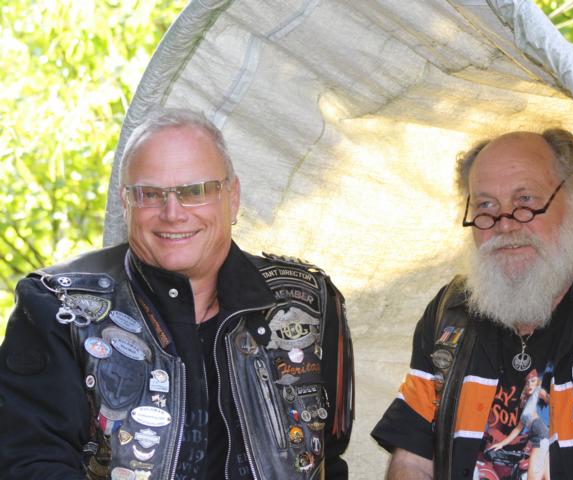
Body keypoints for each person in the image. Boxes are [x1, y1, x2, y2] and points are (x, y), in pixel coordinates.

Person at [0, 108, 353, 479]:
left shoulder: (309, 301)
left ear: (232, 197)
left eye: (194, 191)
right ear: (125, 202)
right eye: (150, 194)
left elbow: (327, 461)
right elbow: (30, 464)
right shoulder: (58, 306)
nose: (172, 213)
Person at [371, 129, 573, 480]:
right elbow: (413, 461)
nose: (505, 224)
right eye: (486, 206)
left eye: (525, 200)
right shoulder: (449, 312)